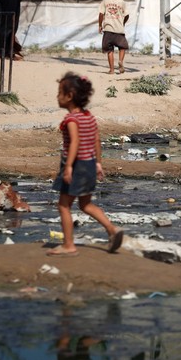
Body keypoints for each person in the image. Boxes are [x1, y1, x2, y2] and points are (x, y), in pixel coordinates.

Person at [49, 72, 124, 257]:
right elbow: (96, 140)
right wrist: (98, 163)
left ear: (69, 96)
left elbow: (74, 142)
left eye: (59, 92)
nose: (57, 96)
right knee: (85, 204)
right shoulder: (89, 117)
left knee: (64, 205)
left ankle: (68, 245)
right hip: (90, 163)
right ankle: (112, 230)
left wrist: (68, 168)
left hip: (76, 166)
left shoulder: (71, 119)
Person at [98, 0, 129, 75]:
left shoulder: (105, 1)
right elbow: (127, 15)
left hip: (108, 29)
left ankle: (111, 70)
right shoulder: (122, 2)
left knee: (109, 50)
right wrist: (123, 22)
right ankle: (120, 61)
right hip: (119, 30)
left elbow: (101, 14)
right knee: (122, 47)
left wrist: (100, 25)